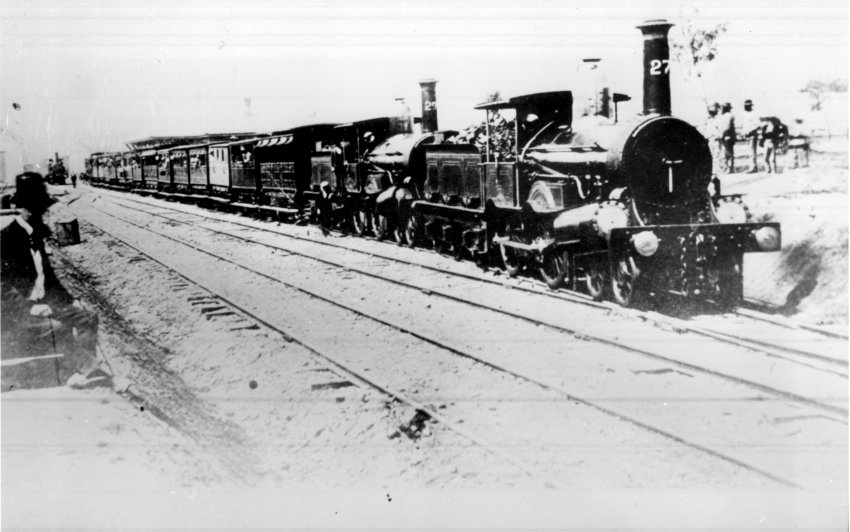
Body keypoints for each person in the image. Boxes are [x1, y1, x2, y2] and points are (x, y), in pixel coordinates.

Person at [1, 172, 107, 388]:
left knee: (88, 317)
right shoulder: (5, 239)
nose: (43, 214)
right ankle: (89, 369)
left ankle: (81, 371)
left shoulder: (36, 234)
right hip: (16, 311)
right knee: (58, 327)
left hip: (46, 304)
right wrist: (29, 308)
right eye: (39, 209)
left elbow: (49, 279)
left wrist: (70, 300)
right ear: (26, 209)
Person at [741, 99, 761, 173]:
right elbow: (744, 125)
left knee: (752, 152)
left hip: (752, 135)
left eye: (747, 105)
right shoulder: (744, 114)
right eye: (745, 105)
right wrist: (743, 133)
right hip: (746, 136)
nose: (745, 107)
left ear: (750, 106)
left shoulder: (754, 114)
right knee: (749, 151)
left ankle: (754, 167)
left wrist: (750, 131)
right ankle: (751, 167)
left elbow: (758, 125)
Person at [702, 102, 721, 175]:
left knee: (716, 156)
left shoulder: (718, 119)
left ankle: (715, 171)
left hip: (715, 140)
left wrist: (717, 137)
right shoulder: (708, 120)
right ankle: (710, 170)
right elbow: (704, 129)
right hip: (709, 139)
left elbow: (720, 130)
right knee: (709, 155)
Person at [717, 103, 736, 173]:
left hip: (728, 136)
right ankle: (725, 167)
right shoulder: (721, 116)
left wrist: (722, 133)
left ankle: (730, 168)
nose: (721, 108)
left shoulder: (729, 115)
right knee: (724, 153)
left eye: (723, 107)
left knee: (729, 153)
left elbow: (727, 126)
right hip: (722, 137)